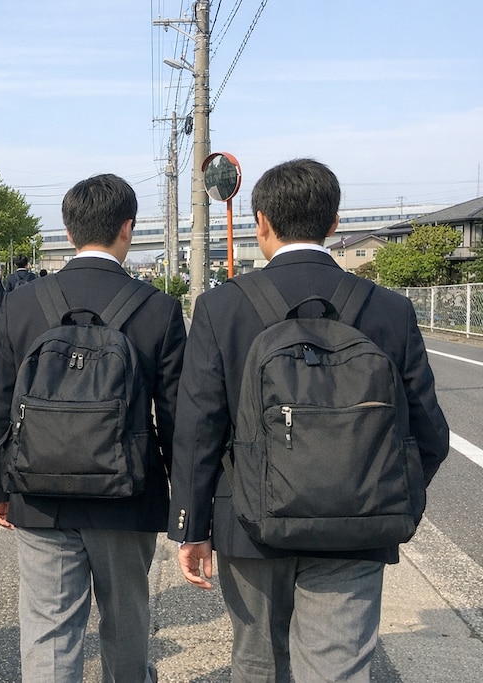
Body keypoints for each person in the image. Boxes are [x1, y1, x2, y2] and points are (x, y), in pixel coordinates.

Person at [169, 159, 450, 682]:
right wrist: (381, 491)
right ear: (335, 223)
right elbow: (429, 433)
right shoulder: (389, 309)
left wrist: (190, 525)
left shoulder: (221, 307)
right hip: (357, 522)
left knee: (256, 662)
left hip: (249, 523)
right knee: (338, 668)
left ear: (261, 223)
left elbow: (199, 428)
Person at [0, 174, 186, 682]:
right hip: (128, 494)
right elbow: (180, 418)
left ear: (69, 232)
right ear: (128, 228)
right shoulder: (157, 309)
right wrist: (187, 505)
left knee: (49, 631)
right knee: (126, 621)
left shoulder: (24, 303)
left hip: (39, 491)